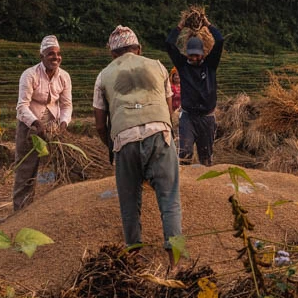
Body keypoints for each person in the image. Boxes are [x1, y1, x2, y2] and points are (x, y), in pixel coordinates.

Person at [94, 25, 182, 268]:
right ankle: (175, 264)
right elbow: (168, 108)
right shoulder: (158, 66)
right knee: (170, 199)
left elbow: (100, 125)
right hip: (159, 133)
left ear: (113, 54)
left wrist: (113, 146)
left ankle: (135, 259)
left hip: (124, 138)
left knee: (129, 203)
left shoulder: (104, 75)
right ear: (139, 49)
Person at [13, 35, 72, 211]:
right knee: (26, 170)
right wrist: (36, 123)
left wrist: (63, 124)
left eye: (58, 53)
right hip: (29, 126)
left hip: (54, 127)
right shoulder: (29, 75)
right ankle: (21, 212)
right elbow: (22, 106)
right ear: (42, 57)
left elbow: (66, 105)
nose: (56, 57)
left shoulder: (64, 77)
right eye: (51, 54)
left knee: (65, 164)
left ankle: (59, 208)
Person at [165, 18, 224, 166]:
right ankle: (184, 185)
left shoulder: (210, 65)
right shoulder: (183, 65)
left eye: (197, 55)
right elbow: (169, 44)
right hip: (188, 117)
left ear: (203, 53)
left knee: (206, 159)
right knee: (184, 154)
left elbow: (220, 40)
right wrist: (181, 26)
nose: (194, 58)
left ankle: (204, 187)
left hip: (207, 118)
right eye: (191, 55)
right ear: (187, 53)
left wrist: (207, 24)